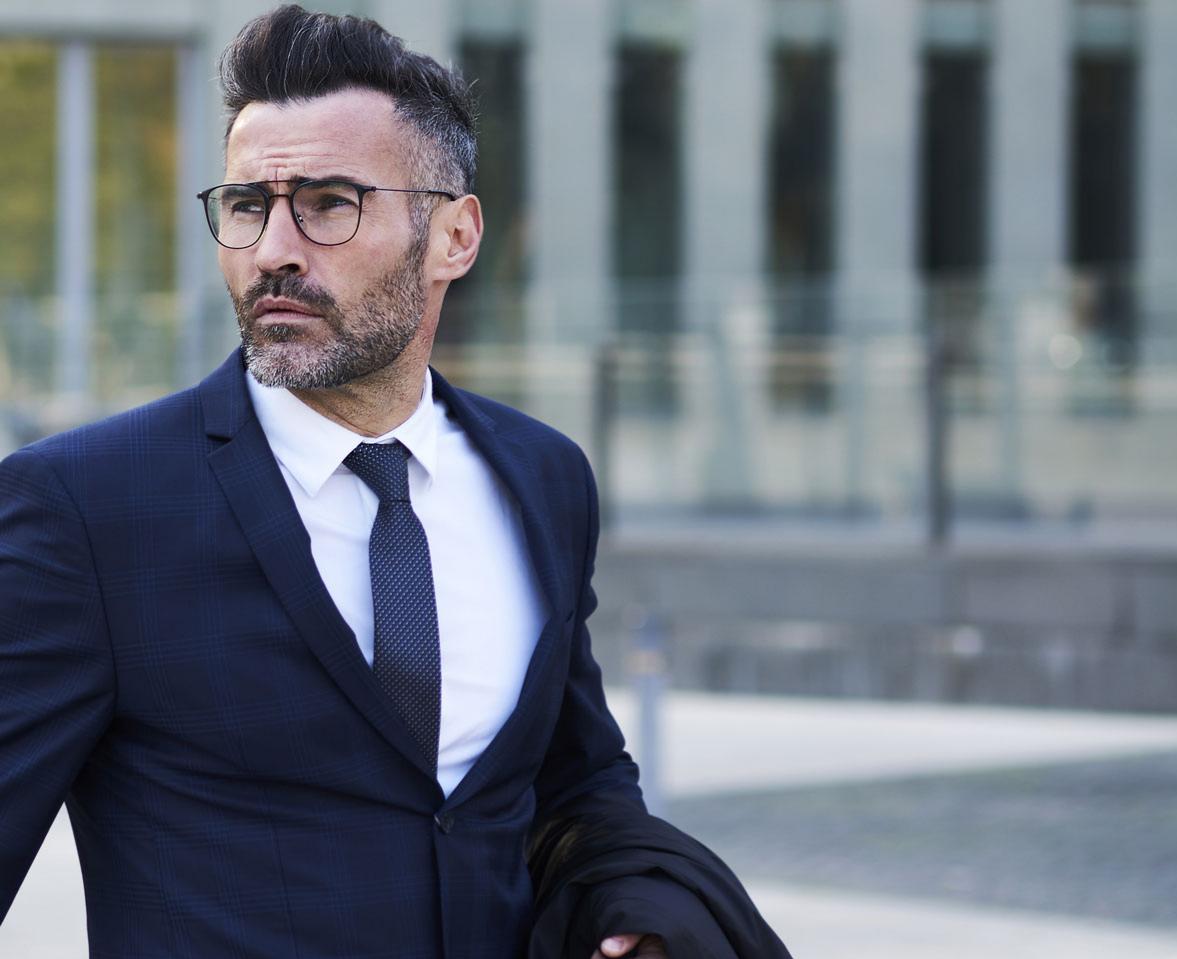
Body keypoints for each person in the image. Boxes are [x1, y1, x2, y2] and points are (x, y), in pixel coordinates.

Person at [0, 7, 788, 958]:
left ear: (454, 235)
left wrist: (637, 914)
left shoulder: (543, 479)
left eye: (329, 202)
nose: (273, 249)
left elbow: (573, 781)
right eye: (248, 204)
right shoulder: (84, 510)